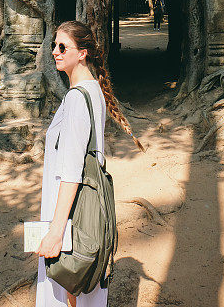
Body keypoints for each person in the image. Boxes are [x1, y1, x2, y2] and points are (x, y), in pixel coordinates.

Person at [36, 20, 144, 307]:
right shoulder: (94, 90)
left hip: (71, 205)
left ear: (82, 53)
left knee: (65, 285)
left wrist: (56, 232)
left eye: (62, 47)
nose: (55, 52)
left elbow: (71, 171)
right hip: (89, 203)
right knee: (82, 288)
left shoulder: (76, 99)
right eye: (53, 46)